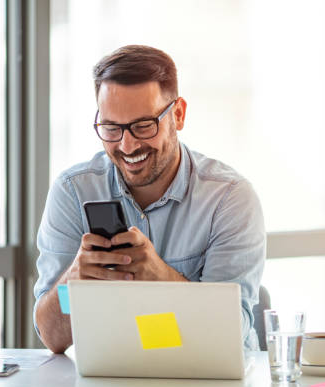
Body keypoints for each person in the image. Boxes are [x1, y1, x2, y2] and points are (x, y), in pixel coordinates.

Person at [33, 45, 265, 353]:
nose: (127, 145)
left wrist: (161, 279)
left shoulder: (229, 199)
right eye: (111, 128)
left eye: (143, 126)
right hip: (110, 385)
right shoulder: (73, 191)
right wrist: (70, 286)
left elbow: (232, 334)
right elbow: (52, 338)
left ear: (178, 115)